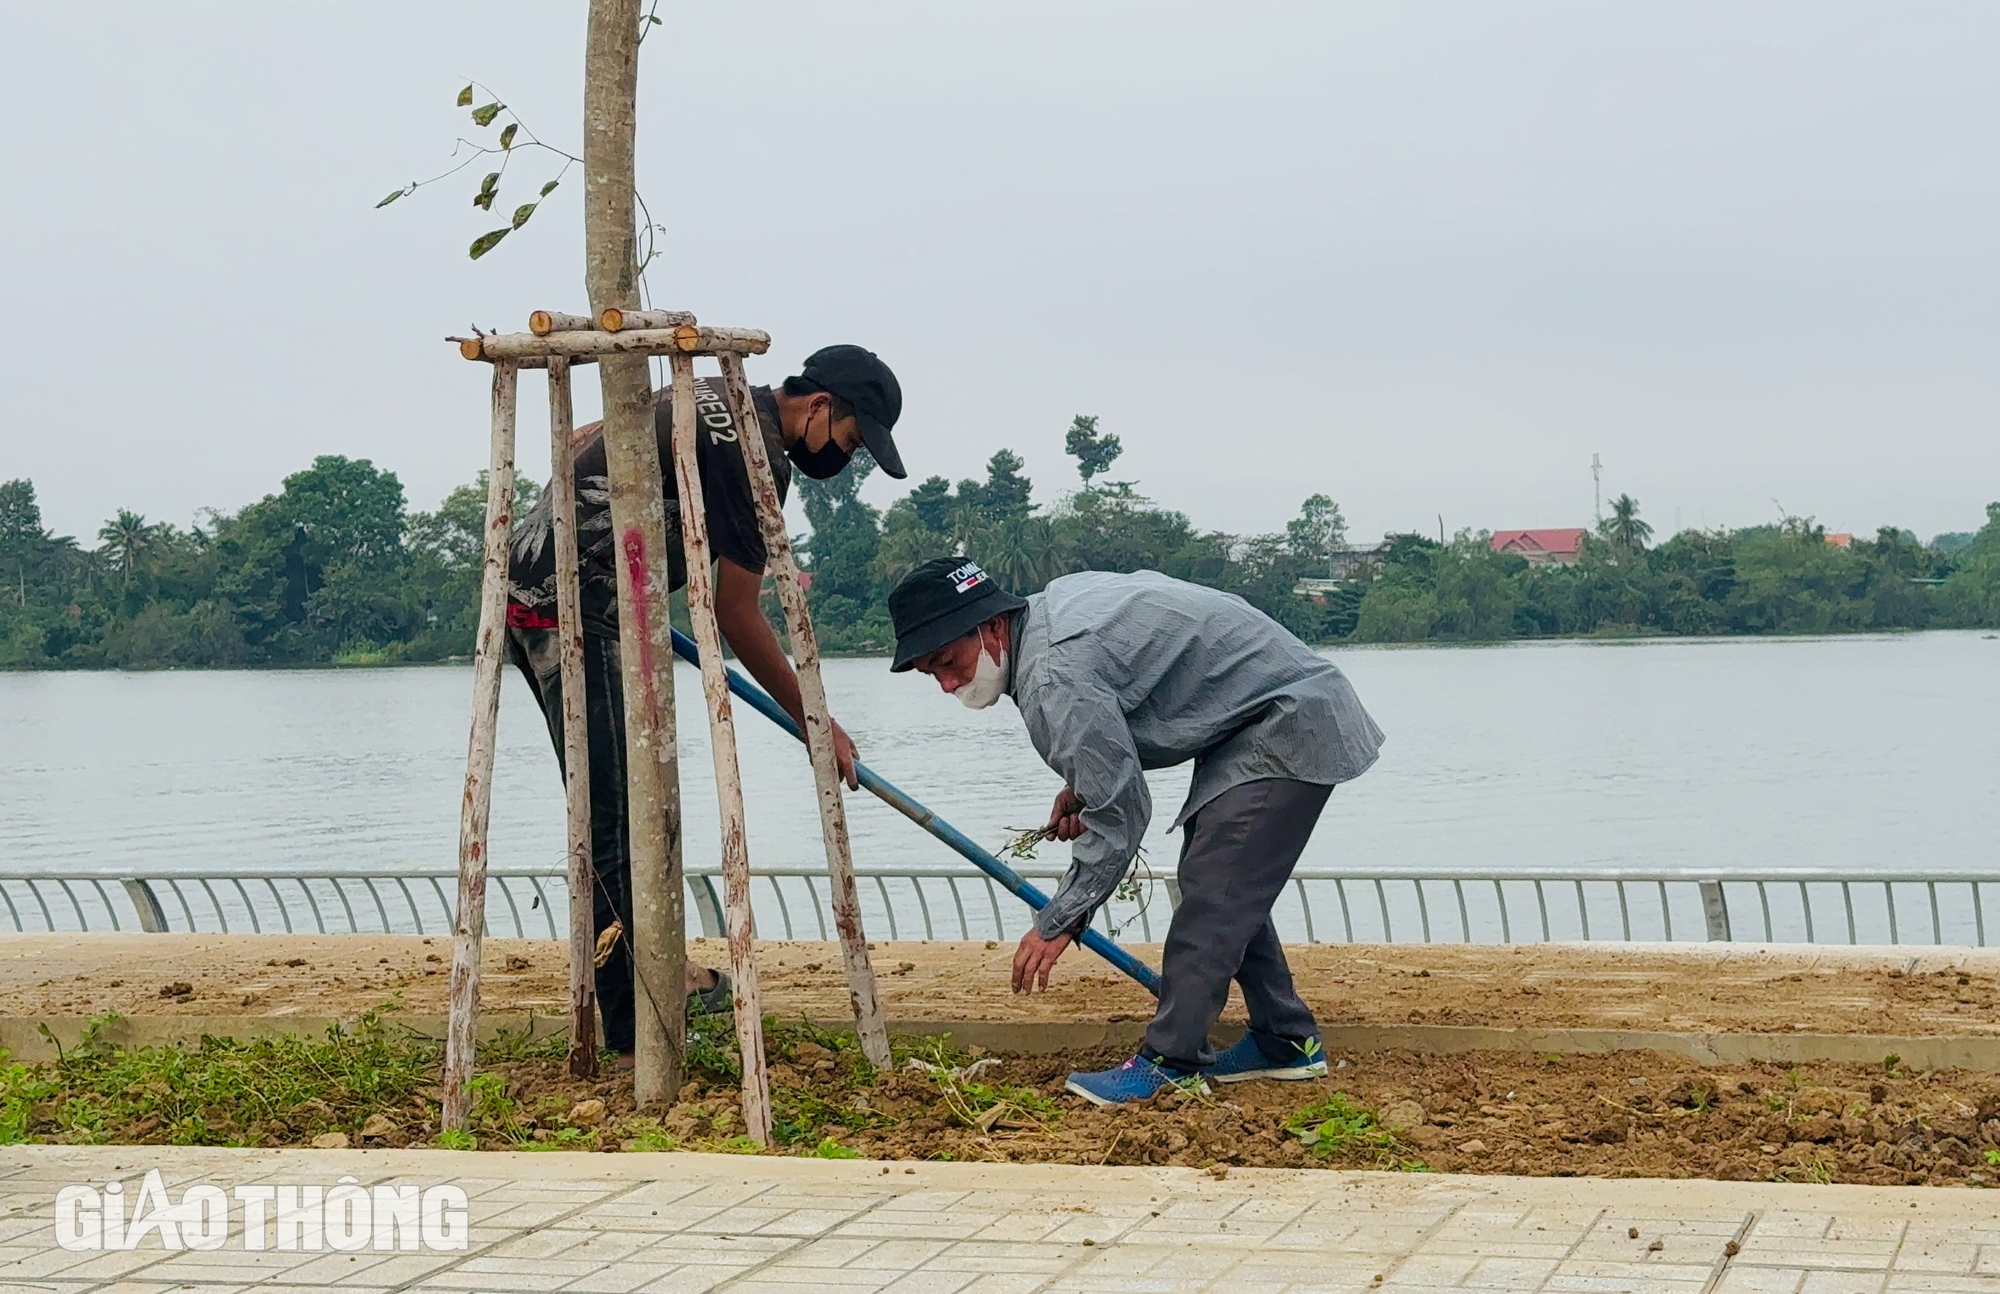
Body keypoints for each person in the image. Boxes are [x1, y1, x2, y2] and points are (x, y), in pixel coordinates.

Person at [507, 345, 906, 1063]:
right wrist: (819, 725)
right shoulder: (757, 458)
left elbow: (585, 438)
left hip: (533, 596)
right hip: (582, 611)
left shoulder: (707, 391)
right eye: (848, 443)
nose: (844, 461)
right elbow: (736, 612)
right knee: (616, 823)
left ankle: (655, 970)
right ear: (818, 407)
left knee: (625, 810)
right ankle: (634, 1032)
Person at [887, 558, 1383, 1107]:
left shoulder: (1053, 674)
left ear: (993, 627)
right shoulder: (1050, 614)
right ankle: (1284, 1040)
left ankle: (1173, 1060)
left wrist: (1060, 919)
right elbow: (1120, 728)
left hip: (1289, 716)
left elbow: (1122, 813)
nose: (948, 683)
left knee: (1217, 884)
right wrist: (1083, 788)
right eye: (931, 672)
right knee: (1221, 879)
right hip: (1261, 717)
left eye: (947, 660)